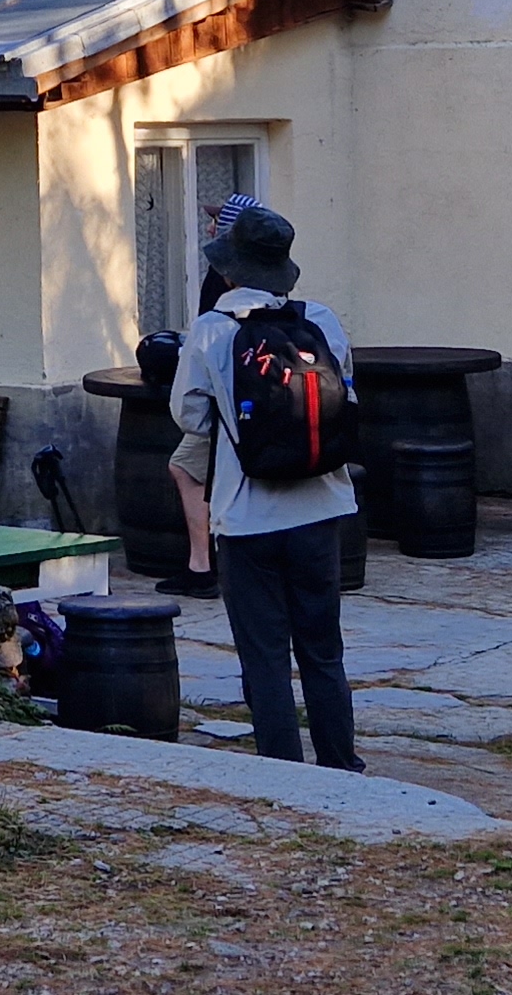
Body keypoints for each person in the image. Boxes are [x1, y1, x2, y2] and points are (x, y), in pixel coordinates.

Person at [169, 206, 361, 771]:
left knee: (265, 655)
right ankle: (342, 763)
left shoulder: (211, 331)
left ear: (229, 273)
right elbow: (345, 399)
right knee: (323, 650)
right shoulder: (322, 321)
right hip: (323, 505)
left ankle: (282, 770)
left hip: (245, 515)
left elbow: (190, 418)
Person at [161, 192, 269, 599]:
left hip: (226, 401)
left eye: (217, 222)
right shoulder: (268, 279)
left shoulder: (221, 279)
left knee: (187, 467)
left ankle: (203, 567)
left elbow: (214, 341)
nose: (209, 228)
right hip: (258, 397)